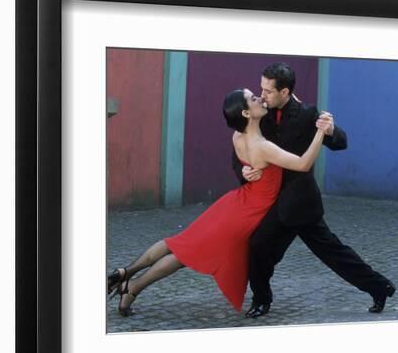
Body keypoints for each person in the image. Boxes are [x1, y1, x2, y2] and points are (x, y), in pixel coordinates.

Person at [107, 88, 332, 317]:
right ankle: (132, 287)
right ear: (246, 113)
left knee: (179, 242)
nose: (261, 98)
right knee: (184, 253)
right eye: (254, 98)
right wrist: (320, 132)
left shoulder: (238, 136)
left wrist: (246, 170)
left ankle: (126, 272)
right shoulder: (263, 147)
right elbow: (303, 164)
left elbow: (248, 161)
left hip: (235, 204)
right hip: (245, 213)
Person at [233, 62, 396, 318]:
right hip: (274, 204)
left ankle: (379, 287)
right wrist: (242, 171)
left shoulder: (308, 114)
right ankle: (261, 300)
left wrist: (330, 130)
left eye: (268, 91)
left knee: (334, 253)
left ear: (285, 92)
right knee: (258, 247)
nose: (262, 95)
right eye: (261, 89)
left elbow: (341, 142)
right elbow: (243, 146)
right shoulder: (259, 114)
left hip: (301, 203)